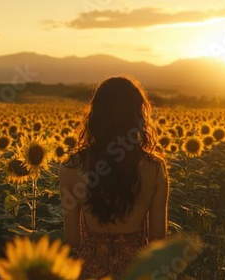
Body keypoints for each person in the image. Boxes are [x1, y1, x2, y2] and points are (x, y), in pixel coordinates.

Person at [59, 75, 169, 279]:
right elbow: (157, 241)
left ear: (95, 115)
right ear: (138, 115)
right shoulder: (155, 168)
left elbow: (73, 241)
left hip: (88, 271)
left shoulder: (70, 168)